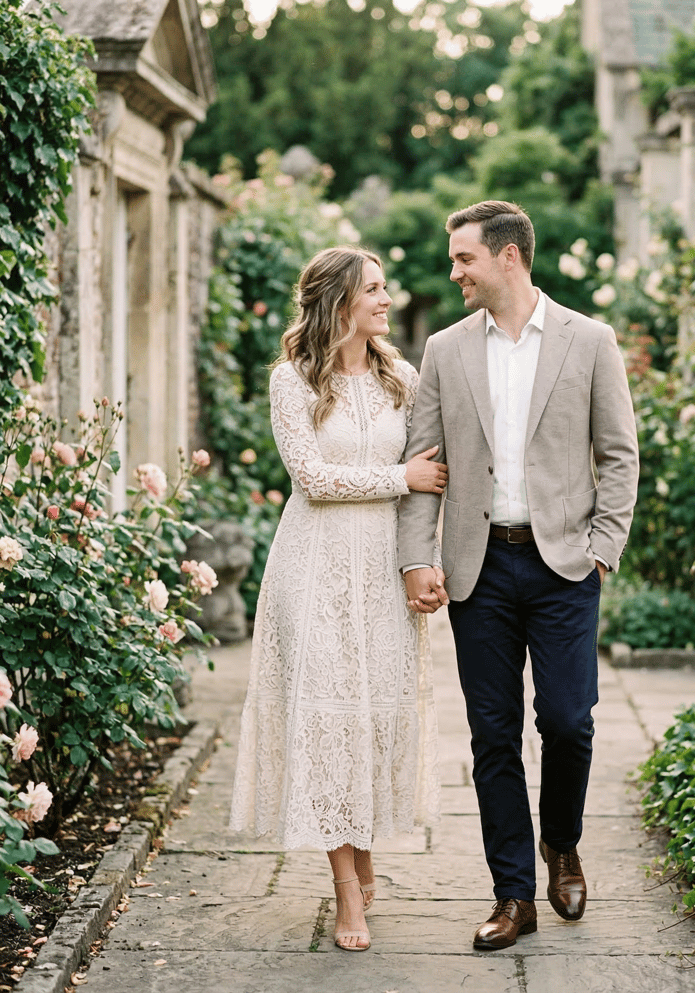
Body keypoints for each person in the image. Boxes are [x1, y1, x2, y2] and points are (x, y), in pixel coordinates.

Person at [398, 201, 638, 950]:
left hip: (565, 563)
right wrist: (417, 557)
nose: (454, 271)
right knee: (492, 734)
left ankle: (561, 843)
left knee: (569, 721)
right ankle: (513, 893)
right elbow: (426, 464)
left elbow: (620, 454)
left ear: (508, 257)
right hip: (479, 567)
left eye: (464, 258)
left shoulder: (589, 341)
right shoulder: (444, 349)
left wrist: (603, 546)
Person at [229, 246, 444, 952]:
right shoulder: (290, 380)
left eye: (385, 288)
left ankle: (366, 845)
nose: (388, 299)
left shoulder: (400, 378)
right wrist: (400, 476)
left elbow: (431, 475)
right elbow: (313, 477)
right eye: (375, 290)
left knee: (373, 712)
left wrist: (424, 553)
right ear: (340, 300)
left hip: (382, 567)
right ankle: (346, 887)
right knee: (327, 718)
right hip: (315, 566)